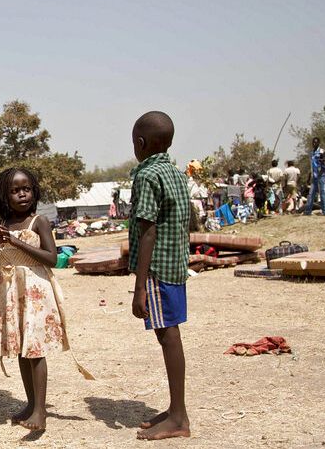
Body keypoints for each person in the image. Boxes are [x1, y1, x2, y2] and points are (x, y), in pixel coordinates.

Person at [0, 167, 82, 432]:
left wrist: (16, 242)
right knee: (22, 350)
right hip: (11, 293)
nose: (22, 194)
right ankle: (30, 403)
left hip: (35, 291)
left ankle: (41, 411)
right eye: (15, 190)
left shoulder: (39, 222)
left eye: (26, 189)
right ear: (5, 195)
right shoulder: (2, 225)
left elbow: (52, 258)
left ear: (34, 192)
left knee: (35, 350)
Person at [127, 111, 191, 441]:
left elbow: (147, 231)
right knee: (170, 333)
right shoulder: (177, 175)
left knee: (168, 336)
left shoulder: (147, 176)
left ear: (140, 143)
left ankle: (179, 417)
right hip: (176, 265)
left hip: (156, 270)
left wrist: (139, 287)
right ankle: (174, 408)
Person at [303, 137, 325, 216]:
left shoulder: (322, 151)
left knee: (322, 193)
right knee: (311, 194)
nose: (314, 144)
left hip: (321, 175)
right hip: (314, 176)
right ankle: (308, 211)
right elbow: (312, 166)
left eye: (315, 142)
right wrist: (309, 177)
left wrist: (323, 159)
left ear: (318, 143)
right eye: (313, 142)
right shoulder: (311, 153)